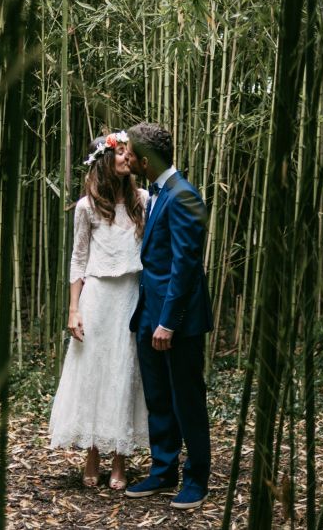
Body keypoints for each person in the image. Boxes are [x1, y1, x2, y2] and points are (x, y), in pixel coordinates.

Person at [49, 131, 149, 490]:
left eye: (127, 153)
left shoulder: (143, 200)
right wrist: (74, 309)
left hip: (131, 296)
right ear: (105, 161)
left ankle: (120, 458)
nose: (127, 158)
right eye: (120, 153)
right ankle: (92, 453)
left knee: (124, 374)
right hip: (97, 297)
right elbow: (78, 259)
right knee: (94, 373)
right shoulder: (86, 207)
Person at [123, 122, 213, 510]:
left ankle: (196, 478)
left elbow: (185, 265)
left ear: (145, 160)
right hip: (149, 312)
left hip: (176, 319)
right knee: (158, 395)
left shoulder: (184, 196)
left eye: (128, 153)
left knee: (186, 397)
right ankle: (163, 470)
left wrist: (168, 322)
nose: (123, 158)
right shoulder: (156, 193)